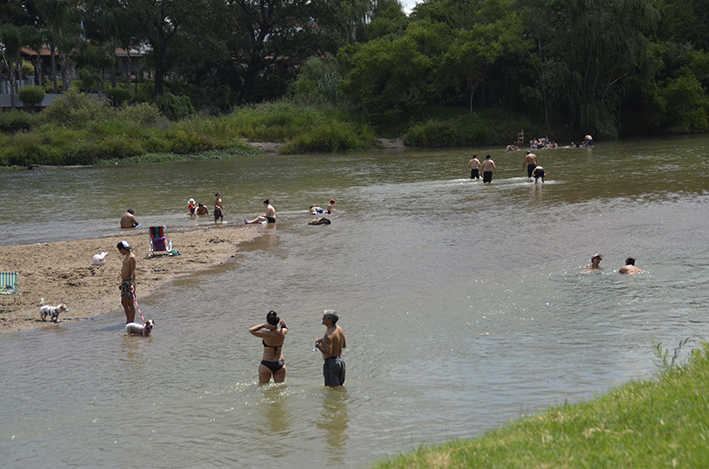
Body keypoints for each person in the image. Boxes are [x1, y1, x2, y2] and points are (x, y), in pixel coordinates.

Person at [248, 310, 289, 385]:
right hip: (280, 364)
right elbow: (286, 328)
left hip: (267, 364)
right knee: (280, 389)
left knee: (263, 388)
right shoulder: (282, 332)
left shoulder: (266, 334)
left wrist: (263, 325)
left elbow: (251, 330)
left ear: (268, 322)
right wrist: (283, 325)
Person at [315, 310, 346, 388]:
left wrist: (318, 345)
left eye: (324, 317)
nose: (322, 318)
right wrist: (324, 342)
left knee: (332, 389)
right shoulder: (339, 329)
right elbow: (344, 345)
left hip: (331, 363)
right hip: (341, 362)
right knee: (339, 386)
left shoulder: (328, 335)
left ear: (329, 320)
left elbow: (328, 353)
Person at [117, 240, 137, 323]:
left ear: (123, 249)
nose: (120, 252)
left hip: (129, 281)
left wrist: (132, 284)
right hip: (124, 281)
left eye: (120, 250)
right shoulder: (126, 256)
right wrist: (122, 283)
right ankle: (128, 320)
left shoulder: (131, 257)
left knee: (130, 302)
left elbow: (133, 271)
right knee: (123, 301)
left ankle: (131, 320)